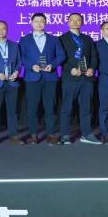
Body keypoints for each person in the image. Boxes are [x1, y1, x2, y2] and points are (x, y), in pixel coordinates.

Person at [19, 13, 66, 145]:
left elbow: (61, 55)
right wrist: (31, 66)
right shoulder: (24, 40)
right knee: (32, 108)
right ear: (31, 23)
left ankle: (50, 134)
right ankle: (33, 135)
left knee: (50, 107)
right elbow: (21, 57)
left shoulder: (54, 39)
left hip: (50, 77)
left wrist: (53, 65)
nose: (39, 24)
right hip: (32, 77)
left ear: (45, 23)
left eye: (42, 21)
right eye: (36, 21)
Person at [58, 13, 100, 145]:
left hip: (86, 78)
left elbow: (94, 56)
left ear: (82, 22)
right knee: (67, 107)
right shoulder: (61, 39)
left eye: (78, 20)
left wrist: (92, 68)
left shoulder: (87, 39)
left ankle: (86, 134)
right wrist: (70, 69)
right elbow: (59, 57)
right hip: (70, 78)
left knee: (86, 108)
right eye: (72, 20)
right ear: (68, 22)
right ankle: (65, 135)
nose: (75, 22)